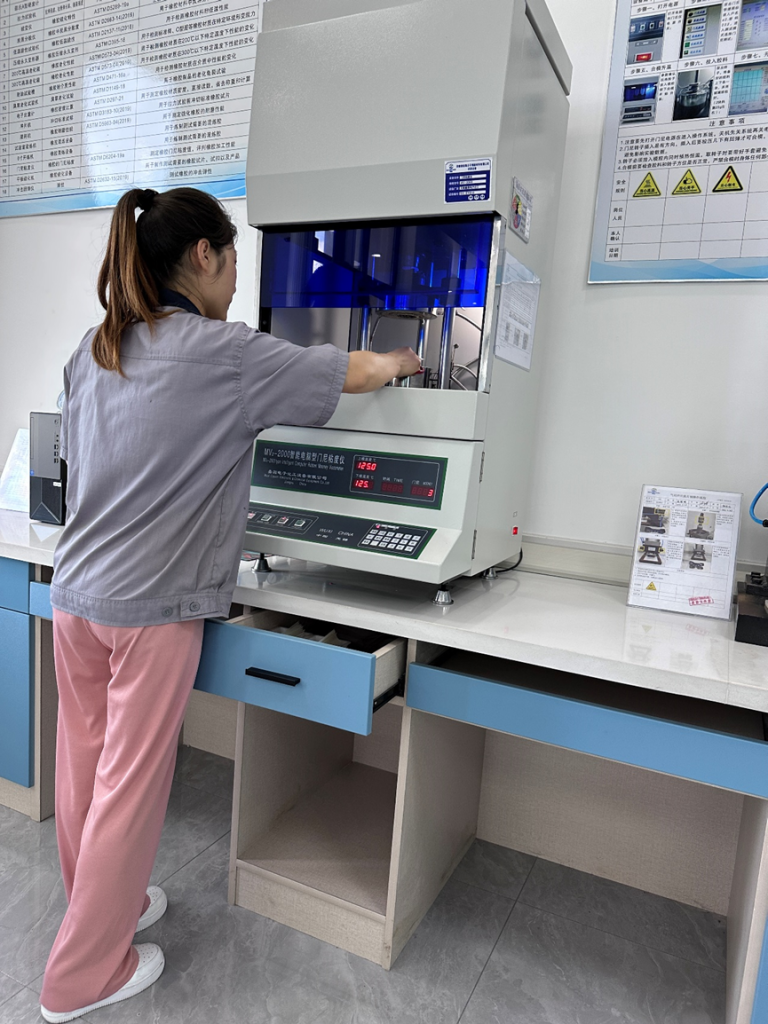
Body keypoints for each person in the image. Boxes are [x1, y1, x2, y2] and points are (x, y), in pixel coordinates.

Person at [40, 186, 420, 1023]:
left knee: (85, 768)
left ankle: (105, 910)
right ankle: (81, 978)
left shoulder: (94, 347)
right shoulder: (225, 352)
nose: (239, 279)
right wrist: (402, 359)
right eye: (236, 259)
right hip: (150, 609)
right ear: (204, 257)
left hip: (75, 595)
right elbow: (351, 372)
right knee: (130, 788)